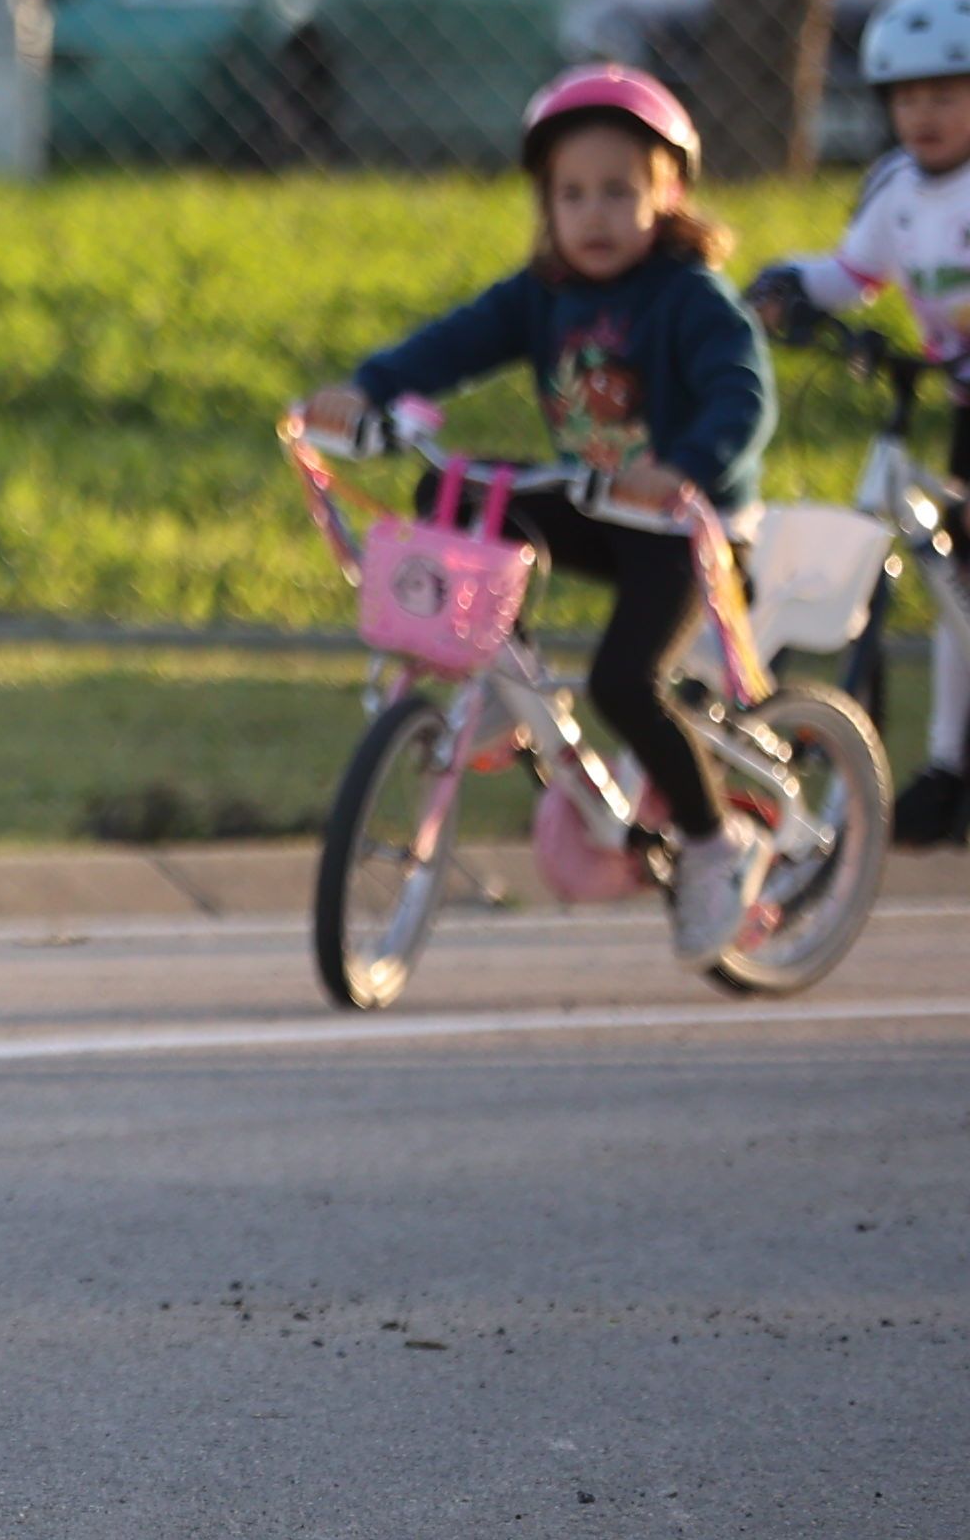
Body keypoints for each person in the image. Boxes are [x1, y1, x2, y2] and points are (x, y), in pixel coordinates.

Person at [320, 65, 776, 960]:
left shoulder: (691, 299)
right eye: (572, 194)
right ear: (546, 203)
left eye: (618, 190)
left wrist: (680, 464)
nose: (594, 214)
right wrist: (367, 389)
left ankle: (717, 842)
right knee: (454, 492)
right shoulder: (543, 296)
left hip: (687, 527)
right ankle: (501, 674)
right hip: (598, 507)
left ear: (669, 193)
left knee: (623, 683)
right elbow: (451, 342)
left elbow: (742, 396)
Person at [752, 0, 970, 841]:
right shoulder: (897, 191)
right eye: (907, 98)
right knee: (952, 580)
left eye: (946, 95)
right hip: (957, 403)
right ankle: (949, 767)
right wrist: (784, 285)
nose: (923, 114)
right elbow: (853, 274)